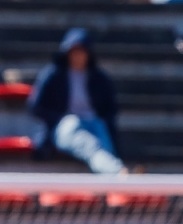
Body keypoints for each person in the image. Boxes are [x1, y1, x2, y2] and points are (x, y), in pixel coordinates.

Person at [27, 28, 126, 175]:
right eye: (74, 51)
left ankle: (113, 177)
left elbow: (110, 109)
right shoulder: (53, 75)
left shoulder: (99, 78)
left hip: (94, 122)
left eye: (81, 51)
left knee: (101, 135)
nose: (77, 56)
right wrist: (58, 119)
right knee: (90, 144)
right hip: (66, 125)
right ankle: (117, 172)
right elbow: (35, 106)